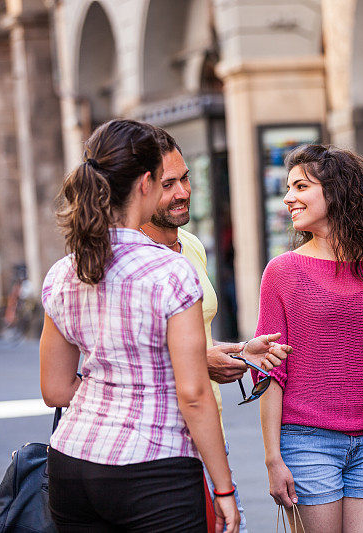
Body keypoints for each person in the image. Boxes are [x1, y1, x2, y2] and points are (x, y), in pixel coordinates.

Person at [41, 119, 239, 532]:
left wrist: (111, 399)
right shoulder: (169, 270)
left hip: (71, 464)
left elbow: (55, 389)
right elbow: (194, 394)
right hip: (152, 468)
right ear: (146, 182)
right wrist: (223, 489)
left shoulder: (63, 271)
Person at [139, 126, 291, 532]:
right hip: (153, 443)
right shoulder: (124, 257)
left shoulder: (191, 246)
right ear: (142, 187)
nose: (183, 192)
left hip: (208, 432)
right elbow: (113, 358)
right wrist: (198, 362)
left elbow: (194, 341)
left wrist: (242, 350)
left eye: (185, 178)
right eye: (168, 184)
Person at [255, 144, 363, 532]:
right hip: (306, 443)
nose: (289, 197)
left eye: (301, 186)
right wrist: (273, 458)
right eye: (288, 188)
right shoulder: (282, 272)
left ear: (337, 190)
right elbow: (271, 373)